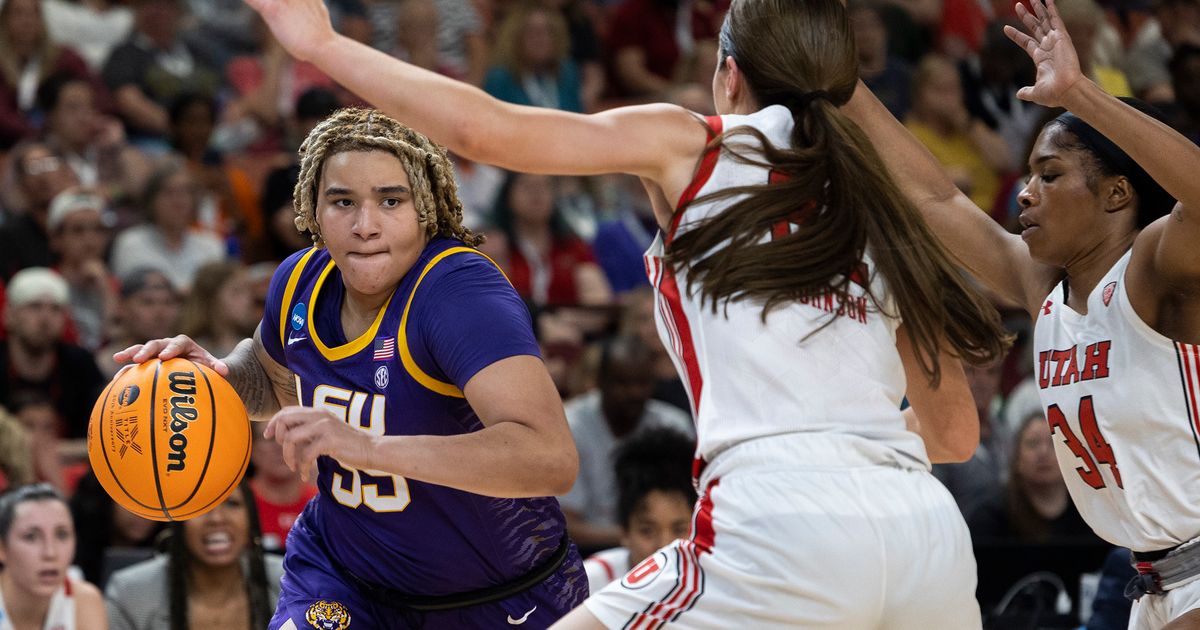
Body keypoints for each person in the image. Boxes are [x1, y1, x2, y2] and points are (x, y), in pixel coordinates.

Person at [242, 0, 1012, 626]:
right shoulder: (887, 204)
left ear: (728, 75)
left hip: (780, 521)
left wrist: (325, 43)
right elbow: (954, 435)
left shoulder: (701, 149)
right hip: (925, 534)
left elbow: (483, 129)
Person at [115, 107, 585, 628]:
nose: (365, 226)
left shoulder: (459, 293)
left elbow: (549, 458)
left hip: (497, 595)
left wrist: (368, 448)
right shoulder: (299, 280)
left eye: (391, 200)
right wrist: (216, 377)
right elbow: (275, 380)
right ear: (311, 210)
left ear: (426, 209)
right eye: (342, 202)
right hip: (343, 577)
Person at [846, 0, 1200, 626]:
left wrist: (1080, 94)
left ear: (1117, 193)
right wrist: (838, 87)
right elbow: (934, 197)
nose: (1024, 191)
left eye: (1050, 174)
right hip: (1151, 580)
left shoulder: (1153, 269)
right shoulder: (1045, 290)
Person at [559, 336, 692, 550]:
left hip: (665, 550)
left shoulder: (674, 425)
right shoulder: (570, 425)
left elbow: (689, 512)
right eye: (623, 383)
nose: (634, 392)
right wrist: (635, 538)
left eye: (642, 383)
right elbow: (566, 526)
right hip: (587, 554)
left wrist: (647, 538)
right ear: (600, 381)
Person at [105, 482, 283, 630]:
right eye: (200, 506)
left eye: (231, 504)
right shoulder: (131, 594)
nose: (217, 518)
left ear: (251, 518)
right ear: (177, 523)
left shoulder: (291, 582)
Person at [582, 427, 697, 594]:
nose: (664, 546)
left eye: (679, 529)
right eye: (647, 531)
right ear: (624, 532)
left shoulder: (714, 585)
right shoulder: (591, 582)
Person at [0, 483, 107, 630]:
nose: (50, 553)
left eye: (62, 535)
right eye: (31, 537)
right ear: (2, 548)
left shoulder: (84, 600)